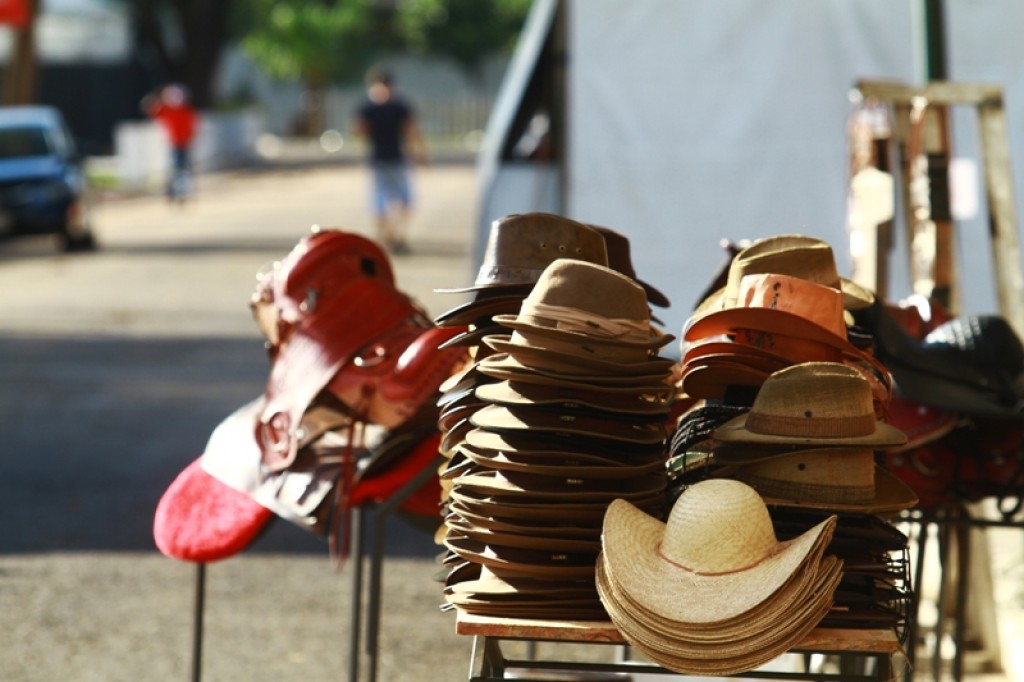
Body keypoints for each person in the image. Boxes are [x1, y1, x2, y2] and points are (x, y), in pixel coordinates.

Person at [353, 68, 427, 254]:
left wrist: (418, 152)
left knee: (402, 201)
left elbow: (410, 130)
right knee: (383, 202)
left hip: (394, 160)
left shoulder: (395, 107)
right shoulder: (372, 108)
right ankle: (388, 237)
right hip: (382, 160)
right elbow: (360, 130)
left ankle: (394, 236)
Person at [142, 83, 198, 202]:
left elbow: (191, 127)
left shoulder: (185, 111)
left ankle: (183, 191)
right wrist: (156, 99)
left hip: (184, 143)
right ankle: (174, 192)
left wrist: (188, 138)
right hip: (174, 143)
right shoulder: (167, 110)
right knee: (176, 169)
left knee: (183, 169)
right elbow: (151, 110)